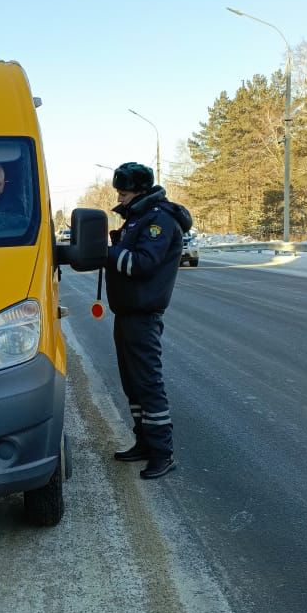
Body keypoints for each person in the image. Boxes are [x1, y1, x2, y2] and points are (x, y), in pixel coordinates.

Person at [105, 162, 192, 478]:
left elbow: (142, 264)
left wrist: (108, 252)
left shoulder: (158, 221)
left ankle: (163, 453)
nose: (120, 197)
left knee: (148, 385)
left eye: (124, 192)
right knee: (133, 385)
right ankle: (143, 442)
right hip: (127, 315)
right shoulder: (139, 218)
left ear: (140, 191)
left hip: (143, 316)